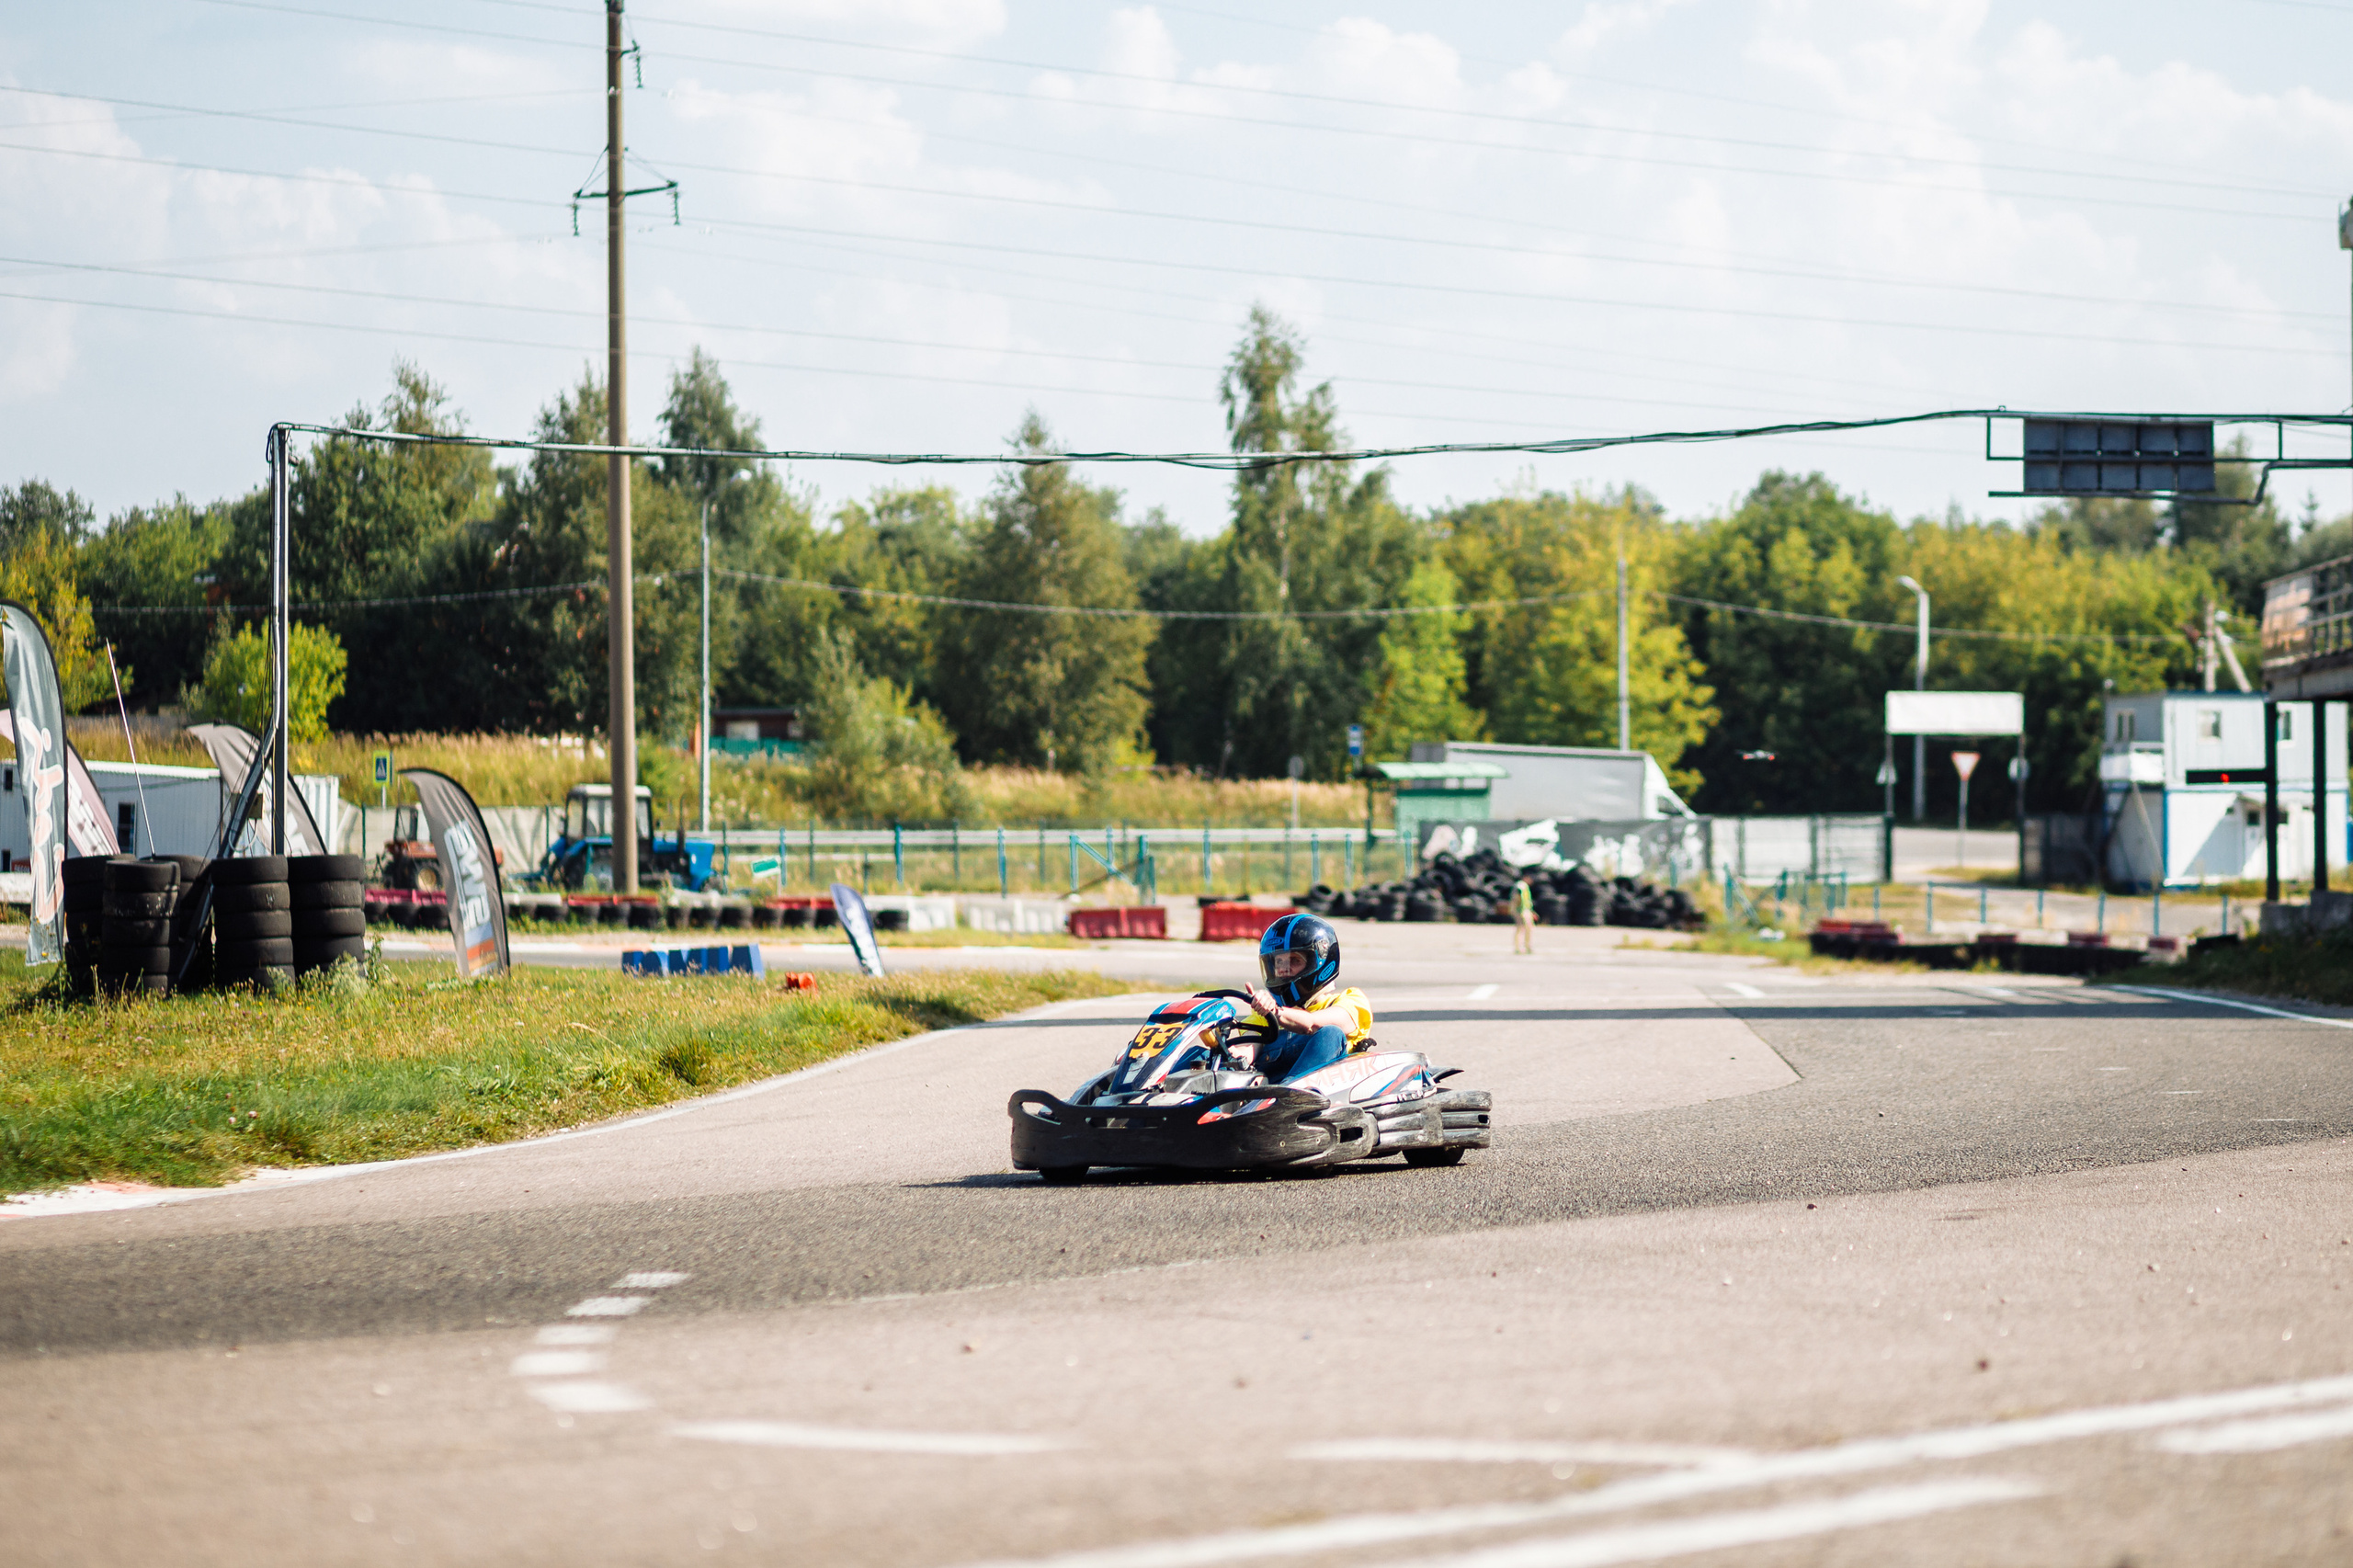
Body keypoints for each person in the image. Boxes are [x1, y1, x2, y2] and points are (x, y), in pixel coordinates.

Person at [1241, 912, 1373, 1083]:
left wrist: (1275, 1011)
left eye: (1294, 961)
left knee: (1330, 1033)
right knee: (1205, 1054)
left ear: (1319, 962)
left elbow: (1311, 1024)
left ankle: (1289, 1094)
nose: (1282, 969)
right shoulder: (1265, 1015)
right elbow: (1245, 1052)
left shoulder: (1352, 1000)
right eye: (1278, 962)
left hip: (1324, 1088)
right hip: (1268, 1089)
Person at [1511, 871, 1537, 954]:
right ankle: (1519, 947)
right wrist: (1518, 911)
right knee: (1521, 928)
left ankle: (1526, 946)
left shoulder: (1525, 887)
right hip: (1521, 910)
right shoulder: (1521, 885)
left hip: (1525, 910)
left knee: (1527, 928)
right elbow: (1517, 897)